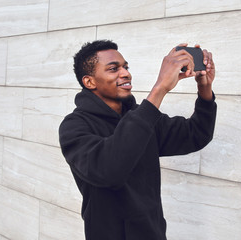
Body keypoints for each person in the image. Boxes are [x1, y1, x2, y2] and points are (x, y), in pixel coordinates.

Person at [59, 40, 217, 240]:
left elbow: (196, 134)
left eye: (125, 67)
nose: (125, 73)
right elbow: (108, 170)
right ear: (90, 82)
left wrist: (205, 90)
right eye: (113, 69)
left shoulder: (141, 116)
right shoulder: (74, 126)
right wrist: (159, 89)